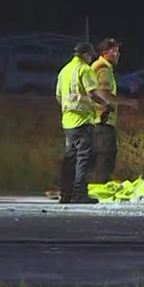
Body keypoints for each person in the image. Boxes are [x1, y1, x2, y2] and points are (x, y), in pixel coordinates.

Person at [56, 42, 113, 204]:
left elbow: (59, 96)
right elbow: (92, 93)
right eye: (90, 56)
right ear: (86, 55)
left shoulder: (64, 71)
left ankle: (65, 194)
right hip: (83, 120)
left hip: (68, 121)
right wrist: (106, 104)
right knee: (83, 159)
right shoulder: (85, 70)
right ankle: (80, 193)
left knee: (69, 159)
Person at [90, 38, 138, 183]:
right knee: (105, 157)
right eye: (115, 51)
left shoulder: (96, 66)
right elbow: (105, 95)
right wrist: (128, 102)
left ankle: (93, 188)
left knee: (96, 158)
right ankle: (101, 189)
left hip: (95, 120)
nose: (118, 54)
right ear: (105, 53)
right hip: (103, 120)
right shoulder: (103, 69)